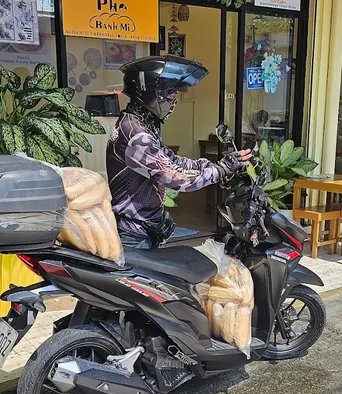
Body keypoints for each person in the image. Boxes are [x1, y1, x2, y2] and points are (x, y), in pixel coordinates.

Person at [106, 55, 252, 249]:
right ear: (151, 92)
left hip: (144, 229)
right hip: (134, 236)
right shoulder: (136, 135)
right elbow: (176, 178)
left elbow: (171, 160)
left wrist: (213, 166)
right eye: (171, 96)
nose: (173, 103)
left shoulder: (140, 124)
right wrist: (219, 170)